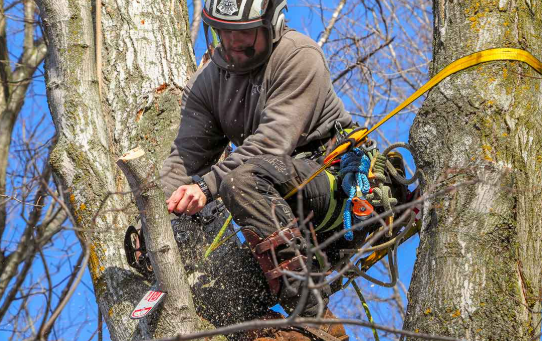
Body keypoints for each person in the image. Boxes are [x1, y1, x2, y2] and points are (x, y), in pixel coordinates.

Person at [160, 0, 352, 339]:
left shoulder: (298, 55)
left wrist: (205, 188)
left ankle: (314, 317)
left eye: (244, 33)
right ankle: (261, 332)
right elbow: (183, 159)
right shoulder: (207, 83)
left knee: (240, 182)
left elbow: (270, 144)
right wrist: (156, 221)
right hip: (271, 209)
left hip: (330, 185)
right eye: (224, 33)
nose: (233, 43)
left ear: (272, 25)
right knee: (209, 275)